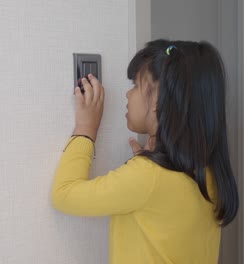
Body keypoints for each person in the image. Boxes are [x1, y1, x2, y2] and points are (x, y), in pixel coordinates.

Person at [51, 39, 239, 264]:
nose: (128, 95)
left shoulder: (148, 177)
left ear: (157, 98)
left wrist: (86, 128)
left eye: (136, 85)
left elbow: (64, 194)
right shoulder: (207, 173)